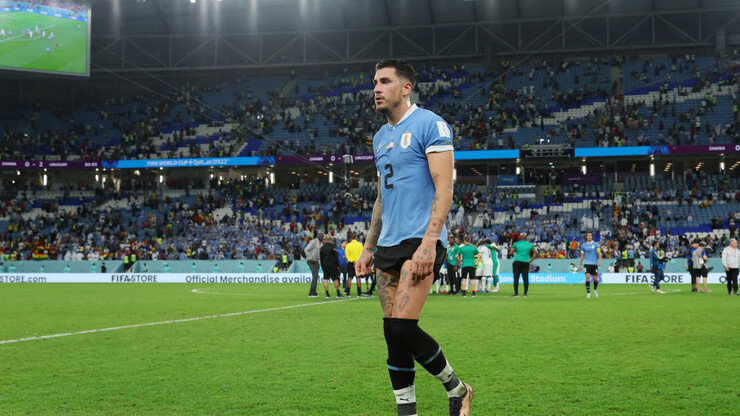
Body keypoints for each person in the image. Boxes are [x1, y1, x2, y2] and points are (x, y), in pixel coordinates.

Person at [354, 59, 473, 416]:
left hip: (420, 240)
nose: (376, 87)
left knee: (404, 328)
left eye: (385, 81)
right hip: (387, 244)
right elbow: (381, 197)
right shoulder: (379, 137)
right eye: (375, 81)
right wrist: (368, 247)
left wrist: (428, 242)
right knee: (392, 333)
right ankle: (407, 411)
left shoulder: (430, 124)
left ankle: (458, 388)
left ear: (406, 88)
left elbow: (445, 187)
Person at [509, 233, 537, 297]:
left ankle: (516, 293)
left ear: (520, 237)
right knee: (525, 278)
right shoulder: (529, 245)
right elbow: (536, 253)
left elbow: (510, 253)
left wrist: (515, 256)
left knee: (516, 278)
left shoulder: (516, 244)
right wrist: (530, 260)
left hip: (517, 261)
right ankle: (525, 293)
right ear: (526, 238)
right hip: (526, 262)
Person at [578, 232, 602, 299]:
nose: (589, 237)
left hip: (594, 264)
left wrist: (599, 261)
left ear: (592, 236)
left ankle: (594, 290)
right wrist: (580, 265)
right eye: (588, 236)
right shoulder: (583, 246)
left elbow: (599, 253)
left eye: (590, 235)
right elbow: (582, 256)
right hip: (587, 264)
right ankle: (588, 293)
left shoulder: (596, 244)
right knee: (587, 276)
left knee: (595, 279)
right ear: (586, 237)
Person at [320, 234, 344, 298]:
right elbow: (336, 258)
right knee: (335, 279)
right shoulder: (333, 247)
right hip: (333, 265)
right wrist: (337, 265)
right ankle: (338, 294)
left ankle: (327, 294)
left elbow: (321, 258)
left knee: (326, 279)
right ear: (331, 240)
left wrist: (322, 266)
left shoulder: (322, 248)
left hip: (325, 265)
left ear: (325, 240)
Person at [345, 232, 365, 297]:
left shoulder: (348, 245)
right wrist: (357, 261)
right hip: (358, 262)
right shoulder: (360, 245)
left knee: (350, 278)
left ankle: (348, 293)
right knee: (358, 278)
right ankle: (359, 293)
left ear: (350, 238)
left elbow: (347, 255)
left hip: (351, 263)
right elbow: (361, 254)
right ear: (356, 238)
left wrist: (352, 261)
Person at [305, 232, 323, 298]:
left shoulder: (320, 243)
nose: (322, 237)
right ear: (318, 236)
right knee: (315, 276)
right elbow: (306, 249)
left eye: (322, 236)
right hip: (311, 261)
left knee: (316, 276)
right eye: (321, 236)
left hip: (316, 261)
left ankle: (313, 292)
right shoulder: (313, 242)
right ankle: (312, 293)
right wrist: (310, 258)